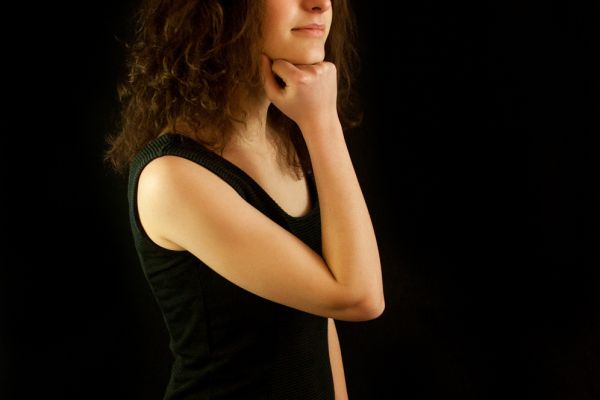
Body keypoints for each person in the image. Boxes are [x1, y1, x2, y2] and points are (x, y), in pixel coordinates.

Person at [105, 0, 384, 398]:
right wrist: (324, 122)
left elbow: (321, 317)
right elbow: (358, 297)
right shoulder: (172, 176)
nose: (320, 4)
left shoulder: (283, 138)